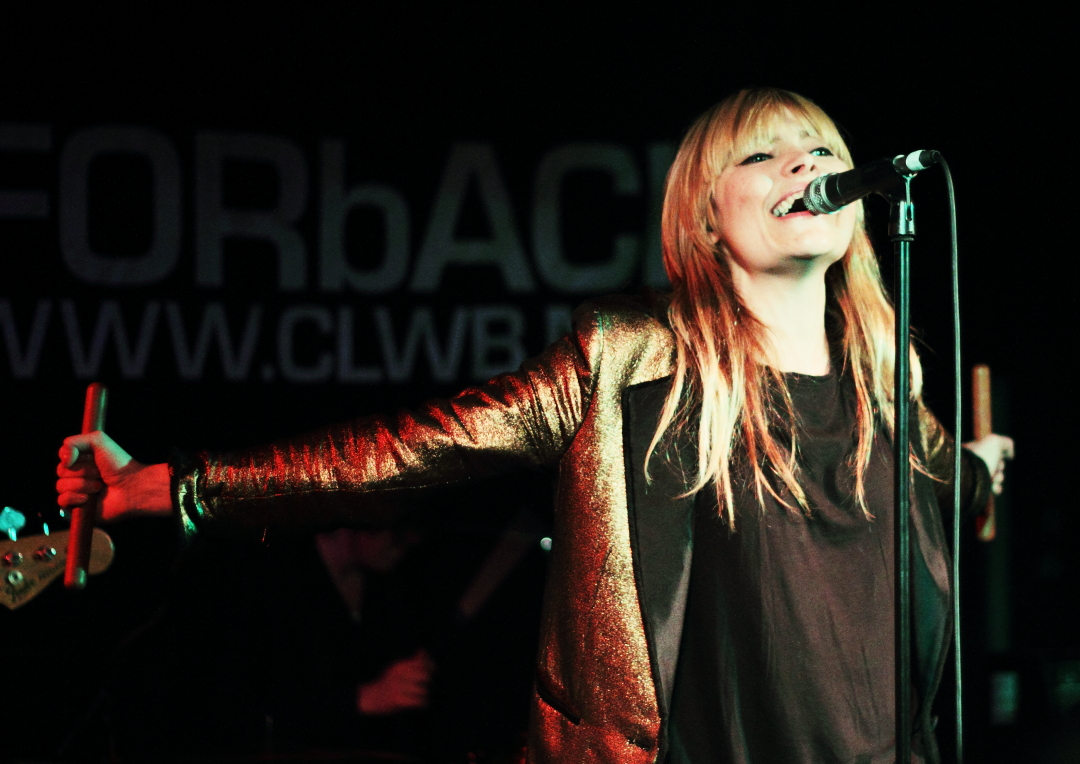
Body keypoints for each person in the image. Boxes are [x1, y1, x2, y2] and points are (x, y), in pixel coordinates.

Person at [57, 87, 1014, 764]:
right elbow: (411, 450)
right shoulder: (627, 361)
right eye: (760, 154)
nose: (805, 163)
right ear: (704, 219)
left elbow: (947, 481)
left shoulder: (889, 386)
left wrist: (981, 462)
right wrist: (176, 486)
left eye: (820, 148)